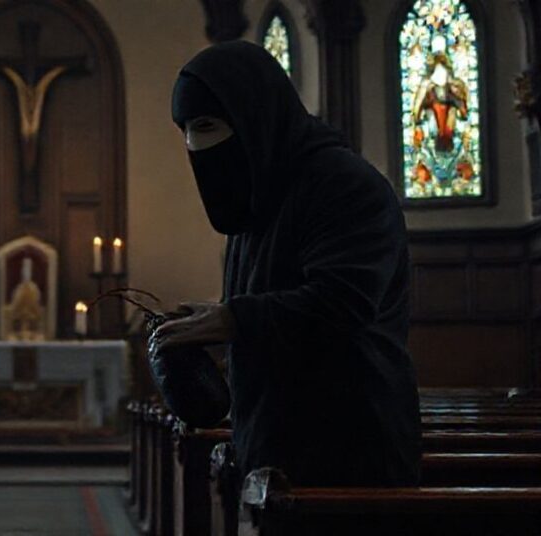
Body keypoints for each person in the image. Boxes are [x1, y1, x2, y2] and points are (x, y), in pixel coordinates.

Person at [153, 41, 421, 486]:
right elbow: (266, 311)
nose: (194, 145)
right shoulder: (256, 202)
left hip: (351, 454)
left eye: (205, 125)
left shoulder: (343, 184)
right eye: (185, 130)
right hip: (274, 454)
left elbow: (344, 302)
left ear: (252, 115)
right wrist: (211, 324)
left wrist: (231, 319)